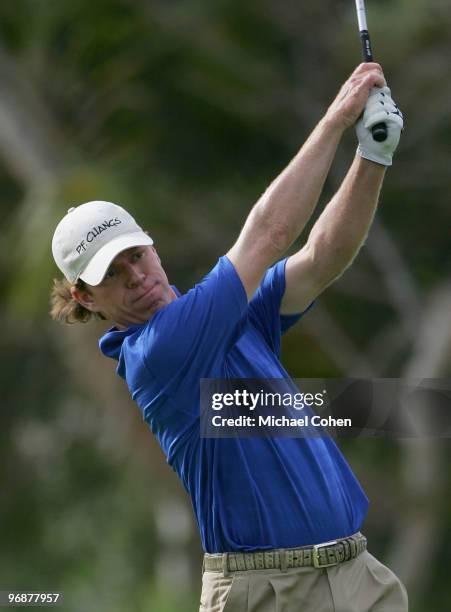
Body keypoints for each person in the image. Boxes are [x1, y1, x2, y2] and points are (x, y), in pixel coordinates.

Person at [50, 63, 408, 611]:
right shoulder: (158, 354)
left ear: (152, 246)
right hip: (266, 593)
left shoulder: (223, 317)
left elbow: (319, 258)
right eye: (113, 275)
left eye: (137, 256)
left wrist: (372, 155)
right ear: (85, 299)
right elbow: (269, 235)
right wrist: (339, 116)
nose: (138, 278)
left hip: (356, 576)